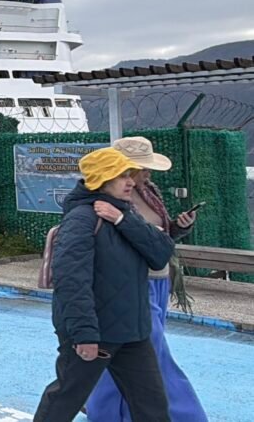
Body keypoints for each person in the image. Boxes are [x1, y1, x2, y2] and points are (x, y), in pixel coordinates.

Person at [34, 147, 176, 422]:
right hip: (96, 332)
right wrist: (84, 334)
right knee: (65, 400)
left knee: (153, 406)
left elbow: (160, 253)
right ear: (101, 180)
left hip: (133, 333)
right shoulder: (81, 219)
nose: (131, 182)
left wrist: (122, 220)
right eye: (122, 176)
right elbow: (71, 281)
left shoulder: (124, 213)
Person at [86, 137, 205, 422]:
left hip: (159, 280)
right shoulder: (112, 199)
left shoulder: (149, 191)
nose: (149, 173)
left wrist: (178, 227)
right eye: (143, 168)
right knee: (148, 350)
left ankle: (108, 410)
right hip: (133, 284)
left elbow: (158, 238)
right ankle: (183, 414)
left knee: (137, 350)